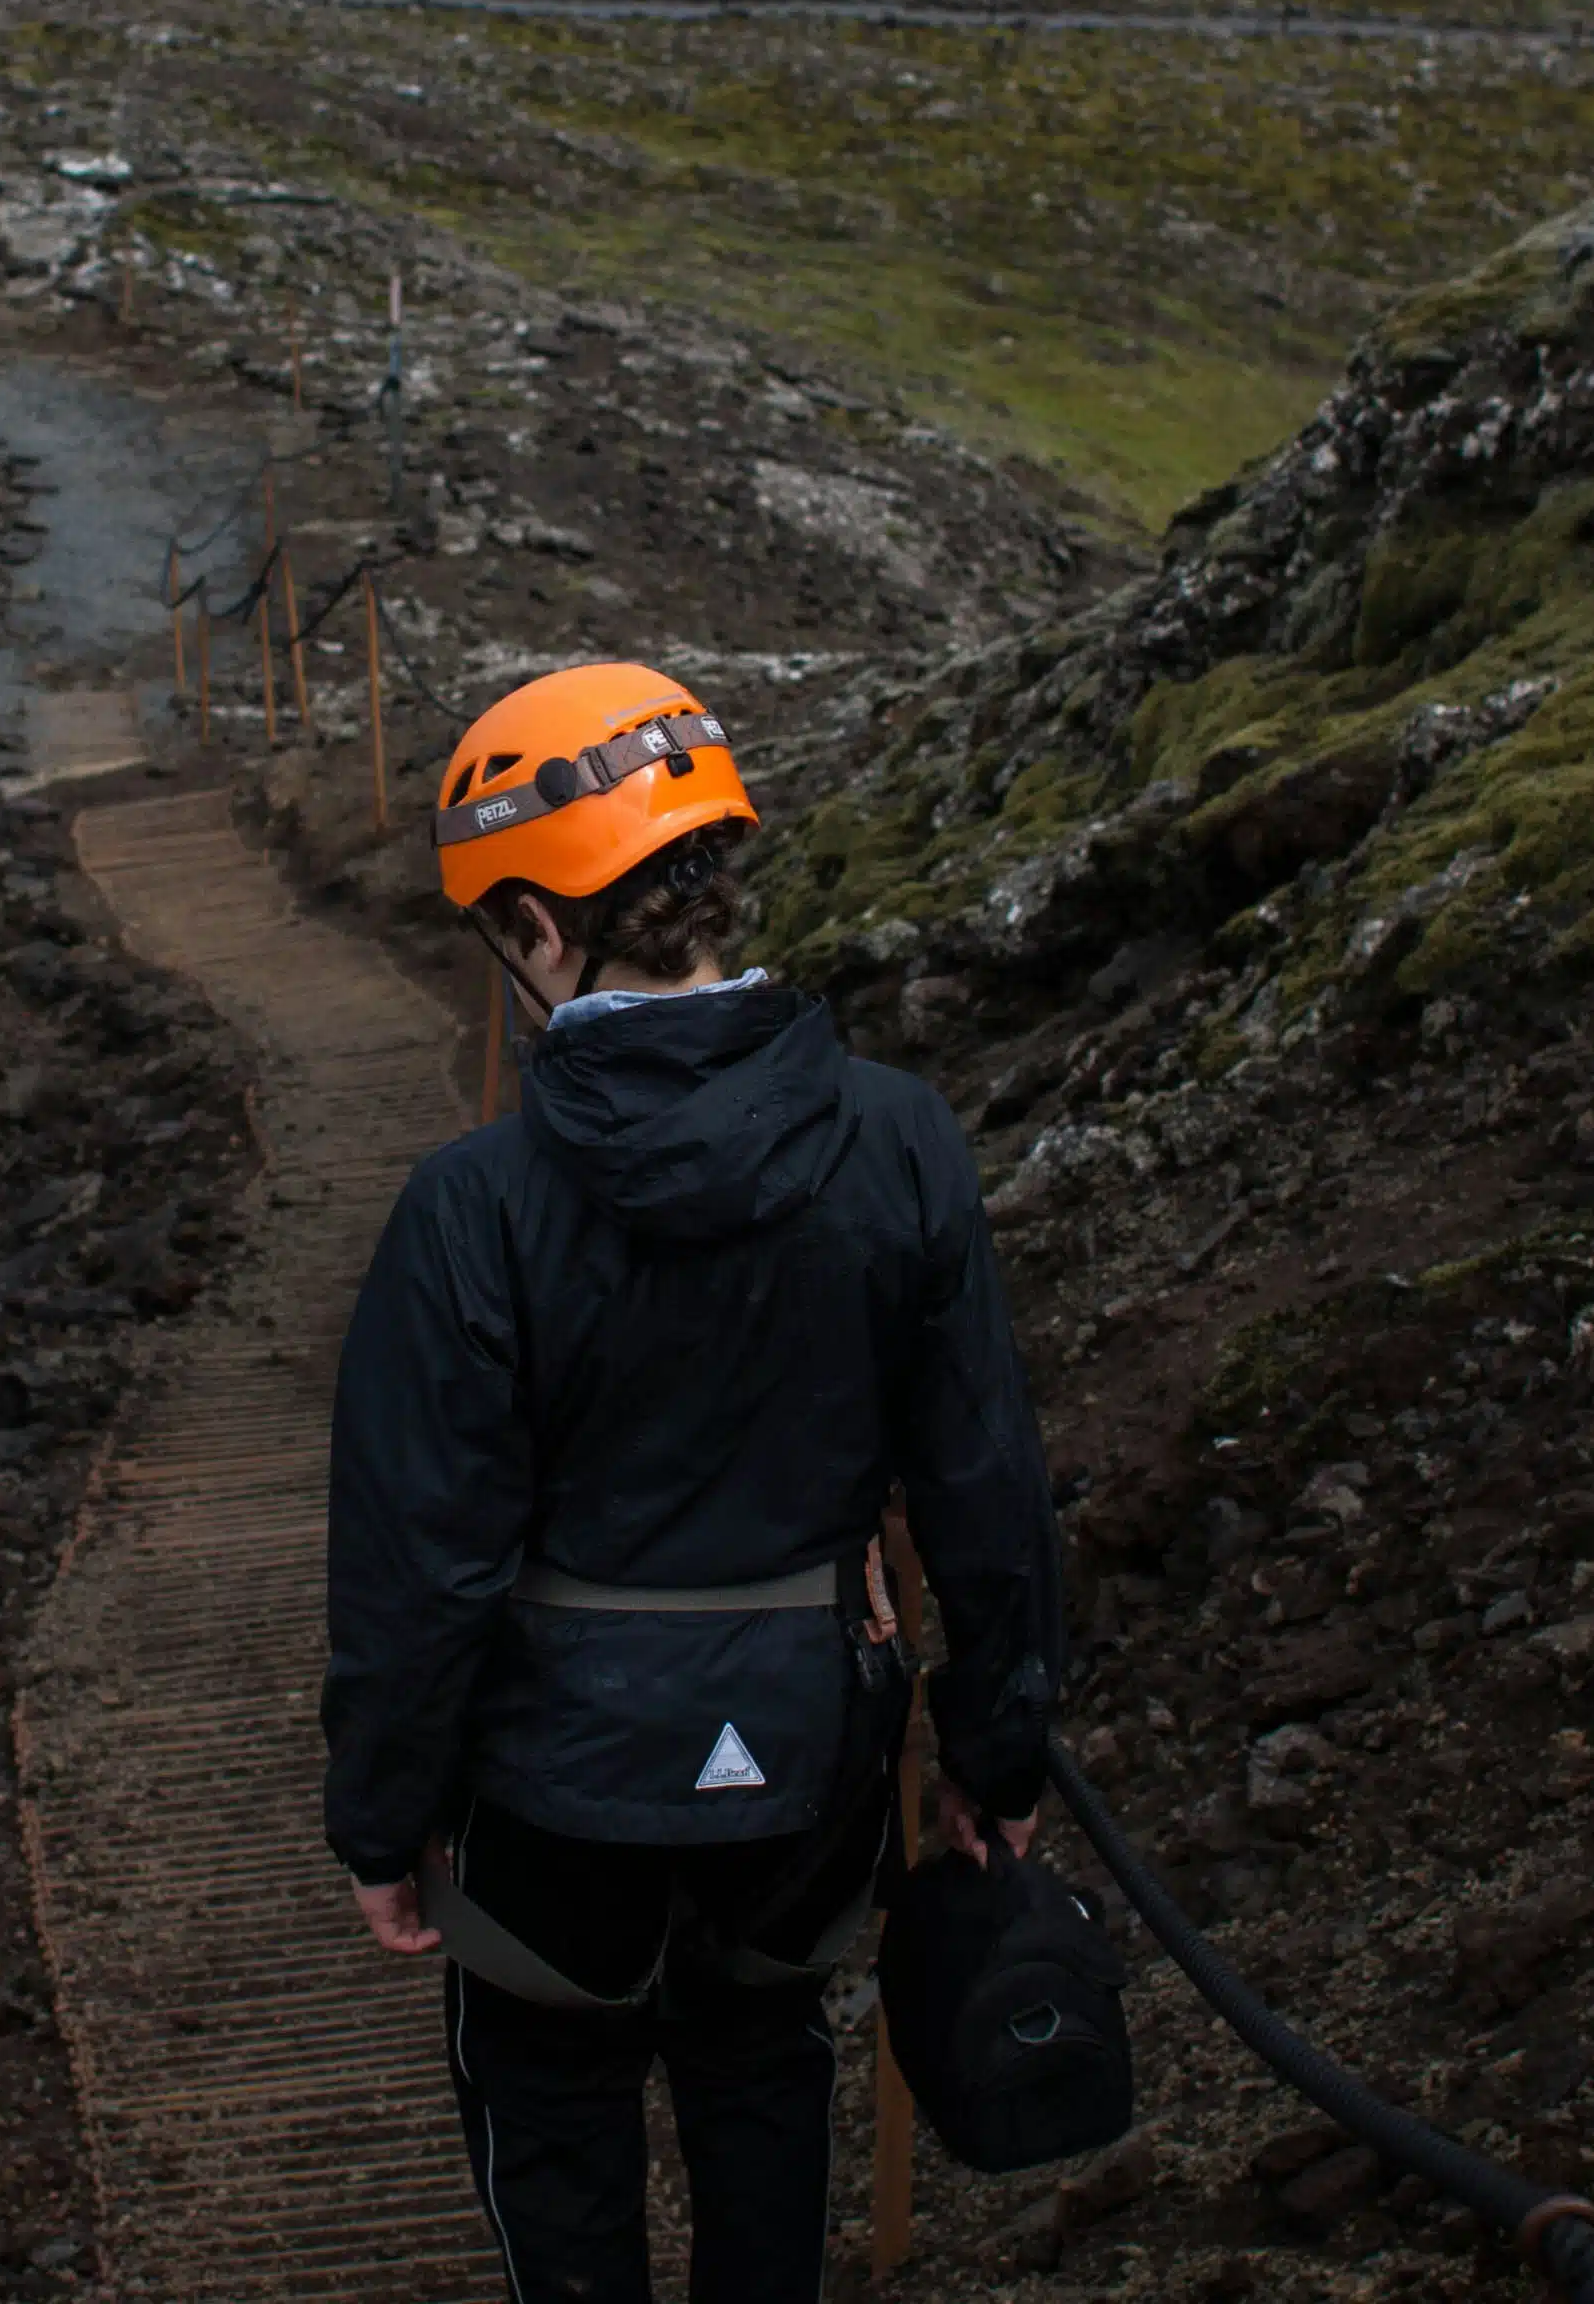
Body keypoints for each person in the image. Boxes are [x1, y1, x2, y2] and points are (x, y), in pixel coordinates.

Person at [322, 659, 1064, 2304]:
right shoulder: (900, 1141)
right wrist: (998, 1748)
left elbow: (421, 1563)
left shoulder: (473, 1210)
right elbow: (984, 1484)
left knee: (552, 2111)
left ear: (534, 923)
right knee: (764, 2067)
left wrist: (380, 1814)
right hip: (805, 1761)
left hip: (553, 1792)